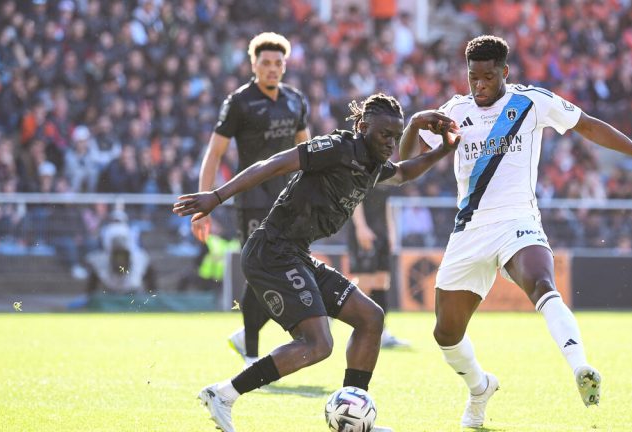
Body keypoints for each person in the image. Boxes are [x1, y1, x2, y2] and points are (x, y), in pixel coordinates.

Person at [400, 35, 632, 428]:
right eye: (473, 77)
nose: (479, 85)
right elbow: (403, 163)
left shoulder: (531, 102)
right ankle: (480, 388)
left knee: (542, 283)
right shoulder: (453, 112)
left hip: (518, 220)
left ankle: (581, 366)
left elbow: (590, 127)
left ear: (504, 73)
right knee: (446, 333)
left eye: (487, 77)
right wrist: (414, 123)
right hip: (469, 230)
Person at [173, 94, 458, 432]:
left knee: (371, 318)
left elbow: (405, 172)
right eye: (385, 135)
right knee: (318, 344)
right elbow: (274, 163)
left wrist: (444, 149)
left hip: (297, 254)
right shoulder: (339, 147)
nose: (391, 143)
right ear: (363, 127)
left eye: (395, 137)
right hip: (271, 252)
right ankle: (224, 393)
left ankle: (352, 415)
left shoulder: (373, 163)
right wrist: (216, 196)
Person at [192, 32, 310, 367]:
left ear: (285, 65)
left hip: (287, 200)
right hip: (252, 199)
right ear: (253, 65)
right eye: (265, 63)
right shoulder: (239, 102)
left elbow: (306, 150)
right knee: (260, 270)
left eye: (278, 63)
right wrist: (205, 203)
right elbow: (214, 153)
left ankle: (246, 335)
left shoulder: (296, 100)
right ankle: (252, 353)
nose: (272, 68)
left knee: (282, 269)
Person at [348, 188, 410, 348]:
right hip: (364, 229)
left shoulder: (387, 171)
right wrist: (361, 227)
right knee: (364, 282)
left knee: (382, 282)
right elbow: (355, 198)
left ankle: (382, 332)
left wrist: (391, 231)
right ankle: (334, 310)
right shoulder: (363, 167)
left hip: (381, 231)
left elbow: (387, 201)